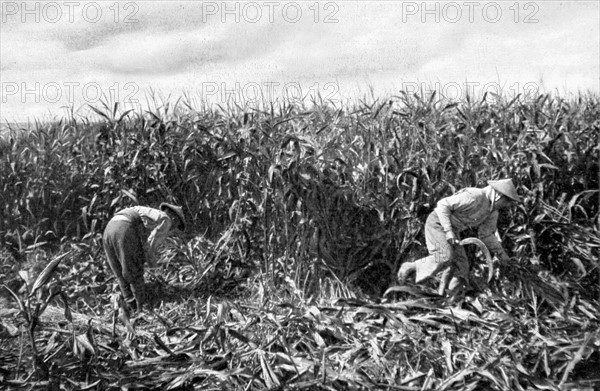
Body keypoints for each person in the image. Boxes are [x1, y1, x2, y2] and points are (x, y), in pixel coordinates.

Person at [397, 179, 521, 294]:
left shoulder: (492, 212)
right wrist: (448, 230)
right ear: (498, 195)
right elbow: (442, 205)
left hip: (452, 230)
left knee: (461, 266)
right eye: (506, 201)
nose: (506, 205)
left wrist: (503, 257)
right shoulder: (474, 196)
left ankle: (448, 297)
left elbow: (487, 235)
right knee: (445, 256)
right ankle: (411, 266)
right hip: (438, 223)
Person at [103, 203, 186, 312]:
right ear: (174, 219)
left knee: (119, 271)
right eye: (175, 226)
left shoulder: (150, 215)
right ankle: (142, 309)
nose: (171, 229)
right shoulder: (166, 220)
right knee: (134, 270)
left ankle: (131, 305)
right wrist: (157, 273)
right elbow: (150, 249)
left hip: (109, 228)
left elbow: (144, 245)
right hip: (124, 227)